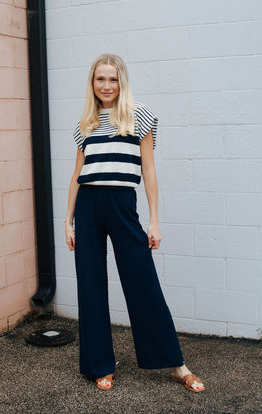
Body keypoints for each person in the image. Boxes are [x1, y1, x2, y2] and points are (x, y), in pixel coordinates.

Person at [65, 54, 204, 393]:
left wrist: (155, 221)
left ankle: (176, 364)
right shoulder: (86, 122)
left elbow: (149, 171)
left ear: (121, 81)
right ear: (92, 83)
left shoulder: (139, 116)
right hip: (87, 206)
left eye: (112, 79)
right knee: (91, 285)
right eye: (100, 79)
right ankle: (100, 365)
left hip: (122, 205)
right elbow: (77, 174)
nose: (107, 86)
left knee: (143, 282)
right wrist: (67, 220)